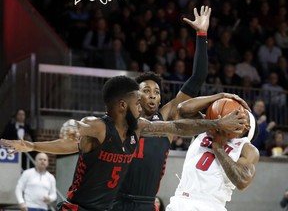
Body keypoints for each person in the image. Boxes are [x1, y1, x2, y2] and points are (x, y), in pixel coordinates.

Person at [2, 75, 247, 211]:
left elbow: (178, 126)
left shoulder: (138, 127)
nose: (141, 104)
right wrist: (45, 141)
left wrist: (216, 123)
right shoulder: (98, 126)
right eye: (135, 102)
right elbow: (74, 136)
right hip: (78, 209)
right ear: (122, 105)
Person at [166, 95, 259, 211]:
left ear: (246, 127)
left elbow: (242, 181)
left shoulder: (247, 148)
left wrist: (218, 147)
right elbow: (182, 109)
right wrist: (221, 96)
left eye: (240, 114)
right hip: (181, 200)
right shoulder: (207, 127)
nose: (233, 113)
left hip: (211, 205)